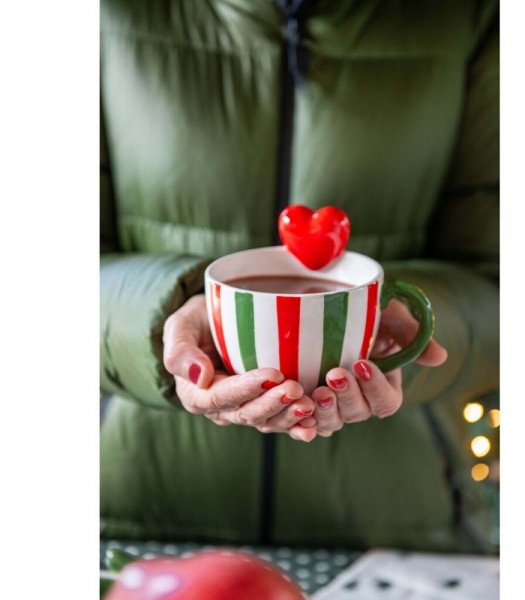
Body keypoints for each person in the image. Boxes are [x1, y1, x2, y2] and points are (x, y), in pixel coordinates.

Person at [100, 0, 499, 552]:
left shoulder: (470, 16)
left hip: (402, 526)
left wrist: (404, 332)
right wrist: (169, 317)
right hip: (138, 520)